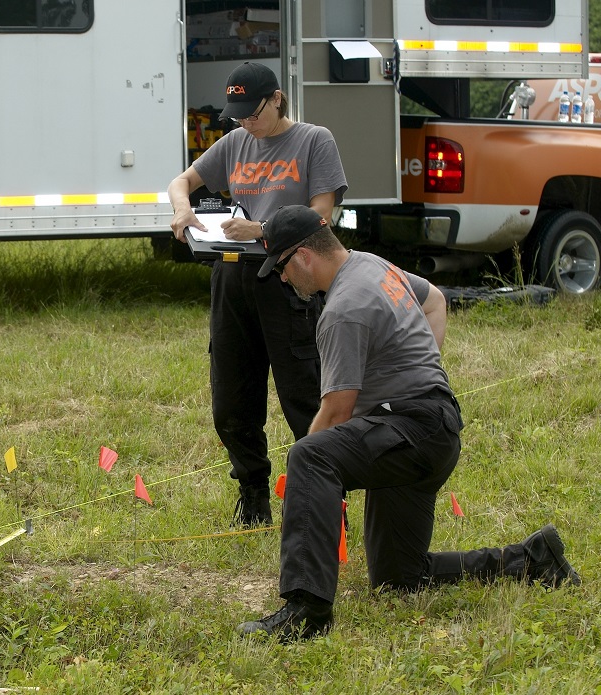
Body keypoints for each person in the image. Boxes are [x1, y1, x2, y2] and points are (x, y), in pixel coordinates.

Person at [238, 205, 581, 642]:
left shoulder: (343, 308)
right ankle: (532, 560)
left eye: (282, 267)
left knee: (309, 455)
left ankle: (307, 611)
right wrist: (419, 368)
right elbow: (434, 299)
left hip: (412, 432)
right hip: (433, 428)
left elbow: (337, 411)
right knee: (399, 578)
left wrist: (306, 486)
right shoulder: (371, 265)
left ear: (304, 255)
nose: (283, 279)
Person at [167, 62, 347, 527]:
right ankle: (253, 496)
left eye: (254, 112)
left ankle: (327, 499)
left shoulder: (314, 140)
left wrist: (263, 229)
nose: (246, 122)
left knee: (303, 396)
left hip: (290, 276)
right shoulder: (235, 143)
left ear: (278, 99)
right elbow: (181, 180)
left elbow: (320, 218)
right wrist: (184, 210)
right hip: (233, 277)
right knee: (231, 399)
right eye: (239, 114)